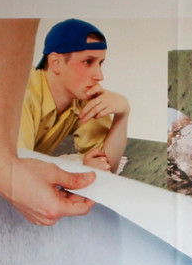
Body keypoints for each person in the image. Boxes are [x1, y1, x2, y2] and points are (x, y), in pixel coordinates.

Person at [17, 19, 129, 173]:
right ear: (56, 62)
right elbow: (16, 175)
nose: (99, 76)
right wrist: (78, 173)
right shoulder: (20, 94)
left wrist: (122, 113)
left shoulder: (82, 98)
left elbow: (106, 165)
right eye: (88, 61)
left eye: (100, 63)